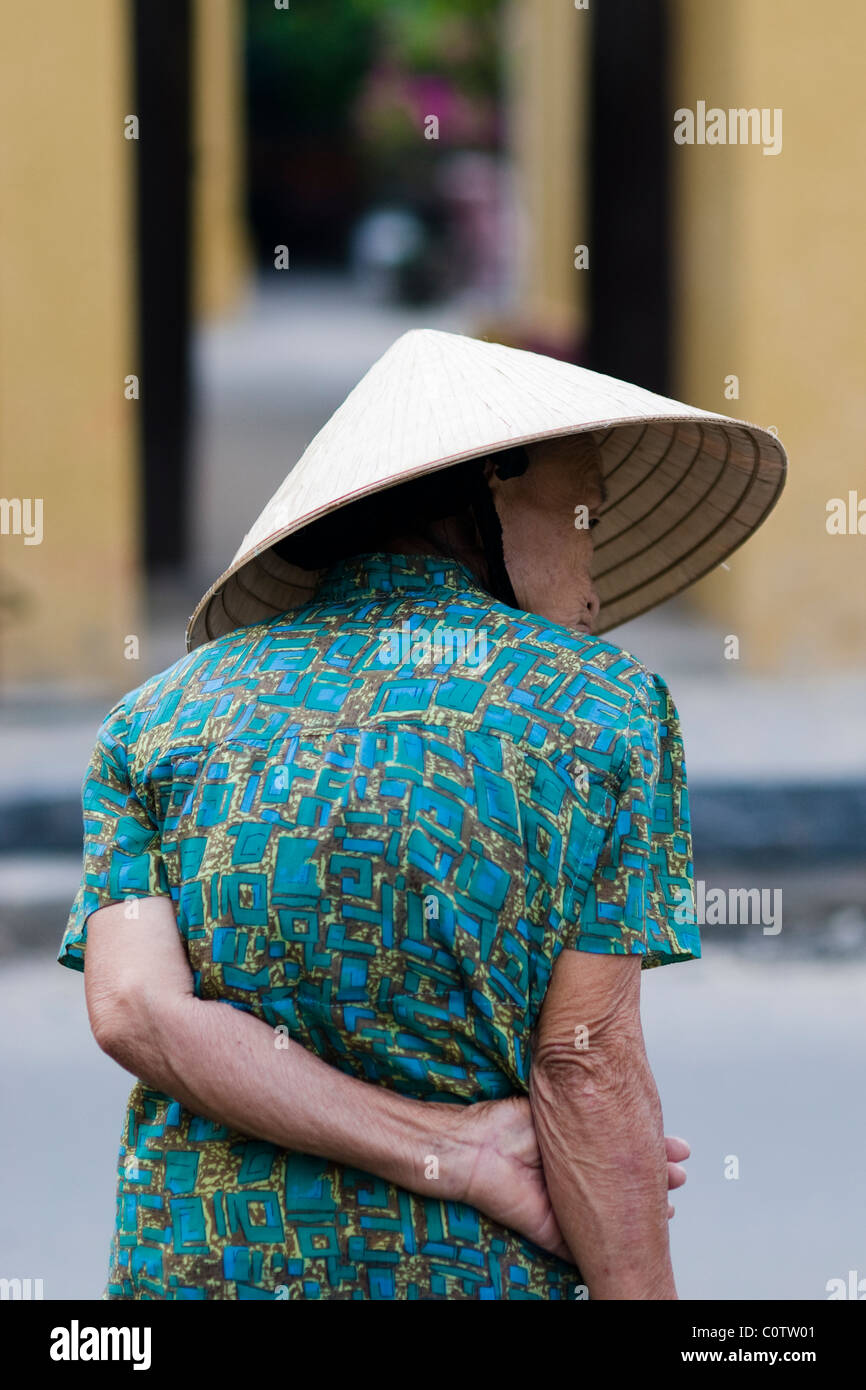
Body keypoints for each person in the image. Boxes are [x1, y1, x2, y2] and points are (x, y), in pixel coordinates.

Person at [59, 328, 786, 1300]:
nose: (593, 569)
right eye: (581, 514)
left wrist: (448, 1148)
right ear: (492, 483)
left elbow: (135, 1010)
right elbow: (581, 1066)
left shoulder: (154, 720)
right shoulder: (600, 712)